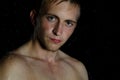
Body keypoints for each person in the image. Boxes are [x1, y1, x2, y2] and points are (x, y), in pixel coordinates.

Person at [0, 0, 88, 80]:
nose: (58, 32)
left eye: (68, 23)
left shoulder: (78, 68)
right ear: (34, 18)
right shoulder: (12, 67)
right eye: (51, 18)